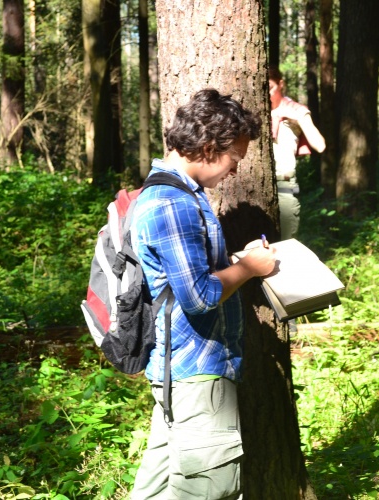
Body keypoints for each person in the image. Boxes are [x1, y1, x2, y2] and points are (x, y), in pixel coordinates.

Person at [129, 88, 277, 499]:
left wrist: (233, 260)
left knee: (157, 490)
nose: (234, 172)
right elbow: (197, 296)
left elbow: (186, 274)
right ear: (210, 148)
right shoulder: (173, 203)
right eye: (234, 160)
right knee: (209, 490)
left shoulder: (172, 194)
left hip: (181, 370)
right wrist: (248, 269)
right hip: (197, 371)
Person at [269, 66, 326, 240]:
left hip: (283, 186)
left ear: (281, 84)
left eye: (270, 88)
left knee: (283, 247)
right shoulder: (253, 106)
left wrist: (299, 121)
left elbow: (320, 145)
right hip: (253, 188)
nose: (267, 94)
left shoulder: (295, 110)